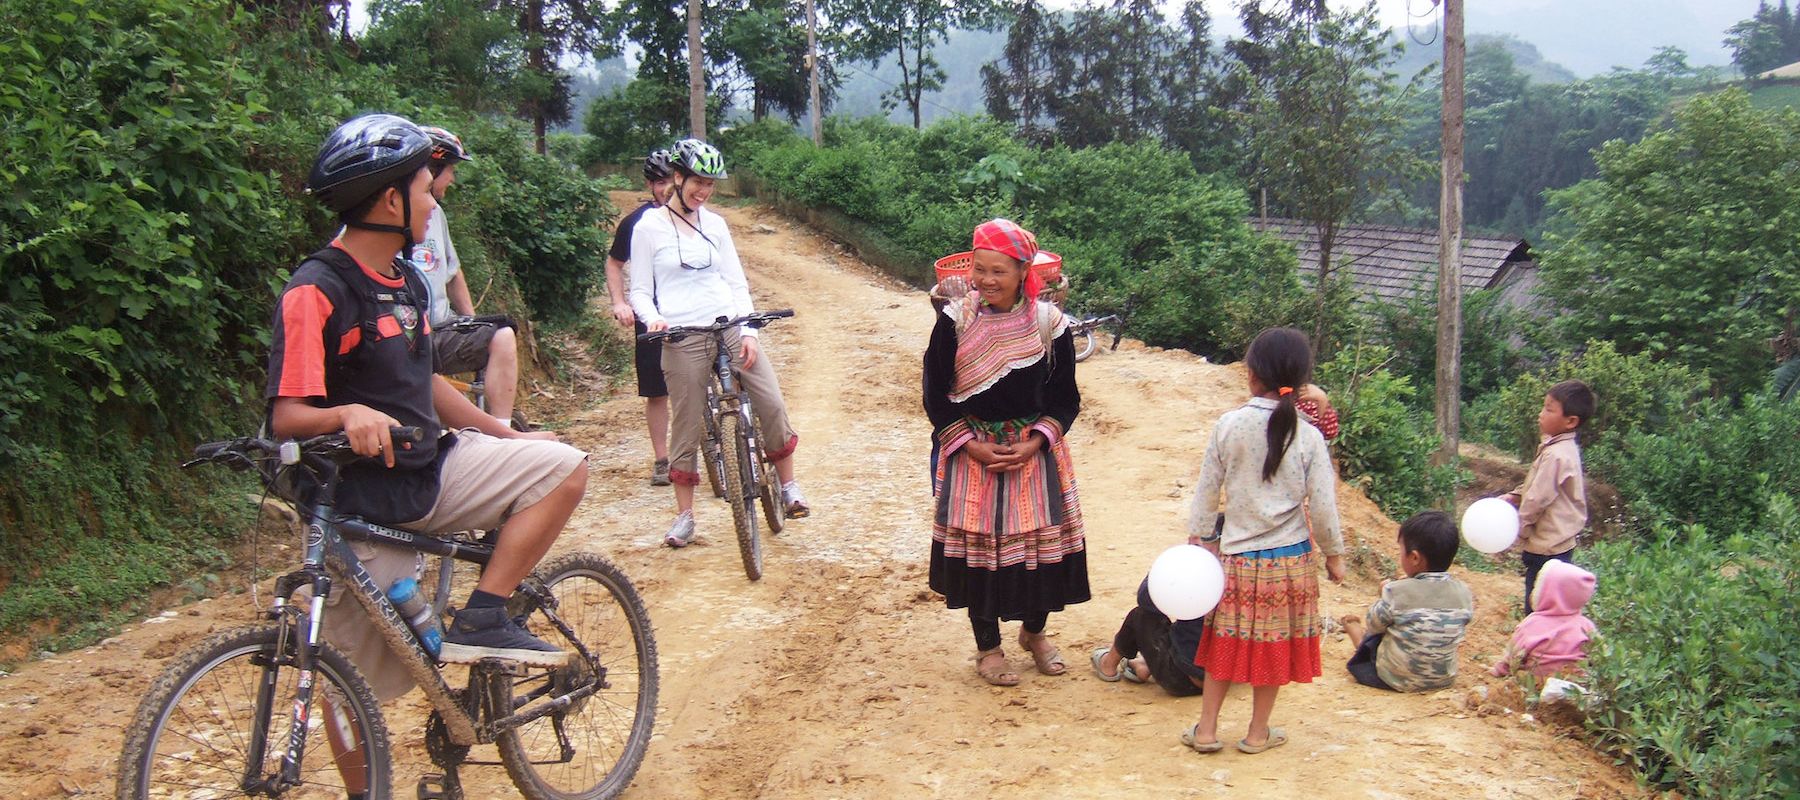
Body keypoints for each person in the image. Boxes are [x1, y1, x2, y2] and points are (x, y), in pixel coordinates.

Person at [274, 114, 589, 798]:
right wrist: (344, 412)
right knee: (341, 680)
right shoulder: (316, 291)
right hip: (359, 498)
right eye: (426, 189)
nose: (434, 202)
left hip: (433, 470)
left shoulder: (408, 285)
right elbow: (287, 415)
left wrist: (506, 436)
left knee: (564, 464)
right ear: (390, 201)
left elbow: (426, 389)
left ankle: (485, 611)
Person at [923, 218, 1090, 686]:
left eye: (999, 271)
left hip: (1033, 456)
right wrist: (970, 445)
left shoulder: (1048, 324)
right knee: (980, 555)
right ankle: (988, 646)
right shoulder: (955, 320)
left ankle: (1034, 633)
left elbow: (1065, 398)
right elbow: (936, 395)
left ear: (1024, 274)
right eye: (979, 269)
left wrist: (1038, 441)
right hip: (973, 451)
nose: (986, 281)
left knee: (1041, 551)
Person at [629, 138, 807, 547]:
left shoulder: (716, 225)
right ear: (677, 178)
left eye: (710, 184)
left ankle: (788, 485)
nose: (703, 191)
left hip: (728, 323)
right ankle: (685, 516)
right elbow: (639, 290)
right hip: (681, 333)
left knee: (771, 401)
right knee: (687, 425)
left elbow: (736, 282)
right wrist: (654, 318)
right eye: (697, 182)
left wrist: (748, 331)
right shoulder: (649, 228)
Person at [1183, 326, 1345, 754]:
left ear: (1251, 374)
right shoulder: (1309, 435)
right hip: (1290, 563)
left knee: (1223, 644)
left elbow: (1206, 490)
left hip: (1237, 559)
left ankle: (1206, 730)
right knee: (1272, 649)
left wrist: (1201, 537)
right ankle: (1257, 734)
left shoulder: (1229, 425)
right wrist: (1335, 555)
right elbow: (1324, 506)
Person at [410, 125, 523, 426]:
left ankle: (500, 430)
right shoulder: (392, 219)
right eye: (450, 170)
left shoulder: (437, 215)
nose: (453, 178)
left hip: (440, 329)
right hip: (405, 337)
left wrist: (471, 320)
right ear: (432, 170)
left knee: (502, 333)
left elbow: (453, 272)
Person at [605, 148, 678, 486]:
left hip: (691, 311)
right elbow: (614, 263)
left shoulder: (696, 218)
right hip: (651, 316)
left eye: (673, 180)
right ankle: (663, 459)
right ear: (650, 184)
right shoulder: (635, 223)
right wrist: (620, 302)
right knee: (657, 390)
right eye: (661, 182)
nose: (668, 188)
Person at [1340, 511, 1476, 693]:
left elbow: (1373, 624)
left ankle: (1355, 632)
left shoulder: (1396, 592)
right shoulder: (1463, 592)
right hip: (1444, 680)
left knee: (1377, 636)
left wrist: (1383, 594)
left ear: (1414, 558)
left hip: (1395, 679)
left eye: (1401, 551)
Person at [1499, 379, 1594, 612]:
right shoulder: (1559, 449)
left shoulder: (1555, 455)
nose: (1541, 414)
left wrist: (1519, 530)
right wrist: (1514, 495)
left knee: (1538, 602)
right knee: (1551, 601)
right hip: (1558, 543)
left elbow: (1538, 499)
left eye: (1549, 409)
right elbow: (1535, 485)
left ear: (1571, 421)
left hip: (1547, 545)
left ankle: (1535, 642)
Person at [1090, 578, 1207, 696]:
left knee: (1141, 616)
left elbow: (1145, 597)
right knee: (1194, 629)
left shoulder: (1191, 571)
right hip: (1217, 681)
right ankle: (1144, 666)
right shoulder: (1222, 576)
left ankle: (1108, 664)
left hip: (1183, 679)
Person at [1491, 559, 1596, 679]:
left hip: (1535, 686)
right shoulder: (1586, 626)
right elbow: (1599, 657)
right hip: (1575, 687)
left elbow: (1512, 658)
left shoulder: (1531, 624)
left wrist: (1498, 671)